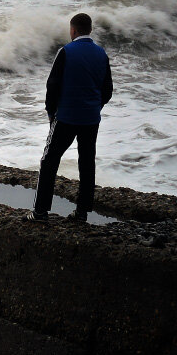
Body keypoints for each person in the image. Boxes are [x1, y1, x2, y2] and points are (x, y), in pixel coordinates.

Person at [25, 12, 113, 223]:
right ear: (90, 30)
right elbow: (107, 89)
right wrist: (95, 106)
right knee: (87, 162)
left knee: (49, 161)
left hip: (66, 116)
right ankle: (82, 212)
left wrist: (51, 113)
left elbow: (52, 85)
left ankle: (40, 212)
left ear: (73, 30)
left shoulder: (66, 51)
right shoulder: (101, 54)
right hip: (91, 119)